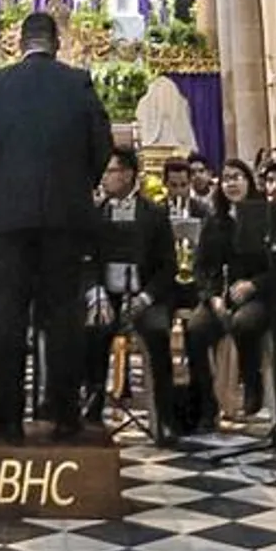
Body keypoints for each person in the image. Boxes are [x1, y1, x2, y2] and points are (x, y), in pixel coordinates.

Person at [0, 10, 112, 443]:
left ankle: (7, 415)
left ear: (18, 42)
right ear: (56, 43)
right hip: (65, 217)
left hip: (5, 218)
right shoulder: (77, 83)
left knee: (6, 314)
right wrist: (80, 184)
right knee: (62, 315)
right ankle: (64, 414)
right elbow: (102, 145)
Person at [83, 148, 179, 443]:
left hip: (145, 295)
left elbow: (168, 266)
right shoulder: (95, 215)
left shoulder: (154, 215)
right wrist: (96, 294)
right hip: (107, 295)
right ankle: (92, 408)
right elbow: (86, 262)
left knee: (157, 333)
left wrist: (145, 298)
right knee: (91, 330)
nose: (104, 178)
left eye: (110, 172)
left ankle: (164, 417)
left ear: (127, 174)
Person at [185, 158, 272, 429]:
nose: (231, 183)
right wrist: (212, 297)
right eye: (226, 179)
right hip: (220, 294)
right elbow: (201, 267)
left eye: (237, 177)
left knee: (244, 323)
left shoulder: (266, 217)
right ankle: (206, 403)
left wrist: (252, 285)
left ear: (249, 181)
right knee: (196, 329)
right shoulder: (215, 221)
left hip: (257, 293)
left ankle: (252, 385)